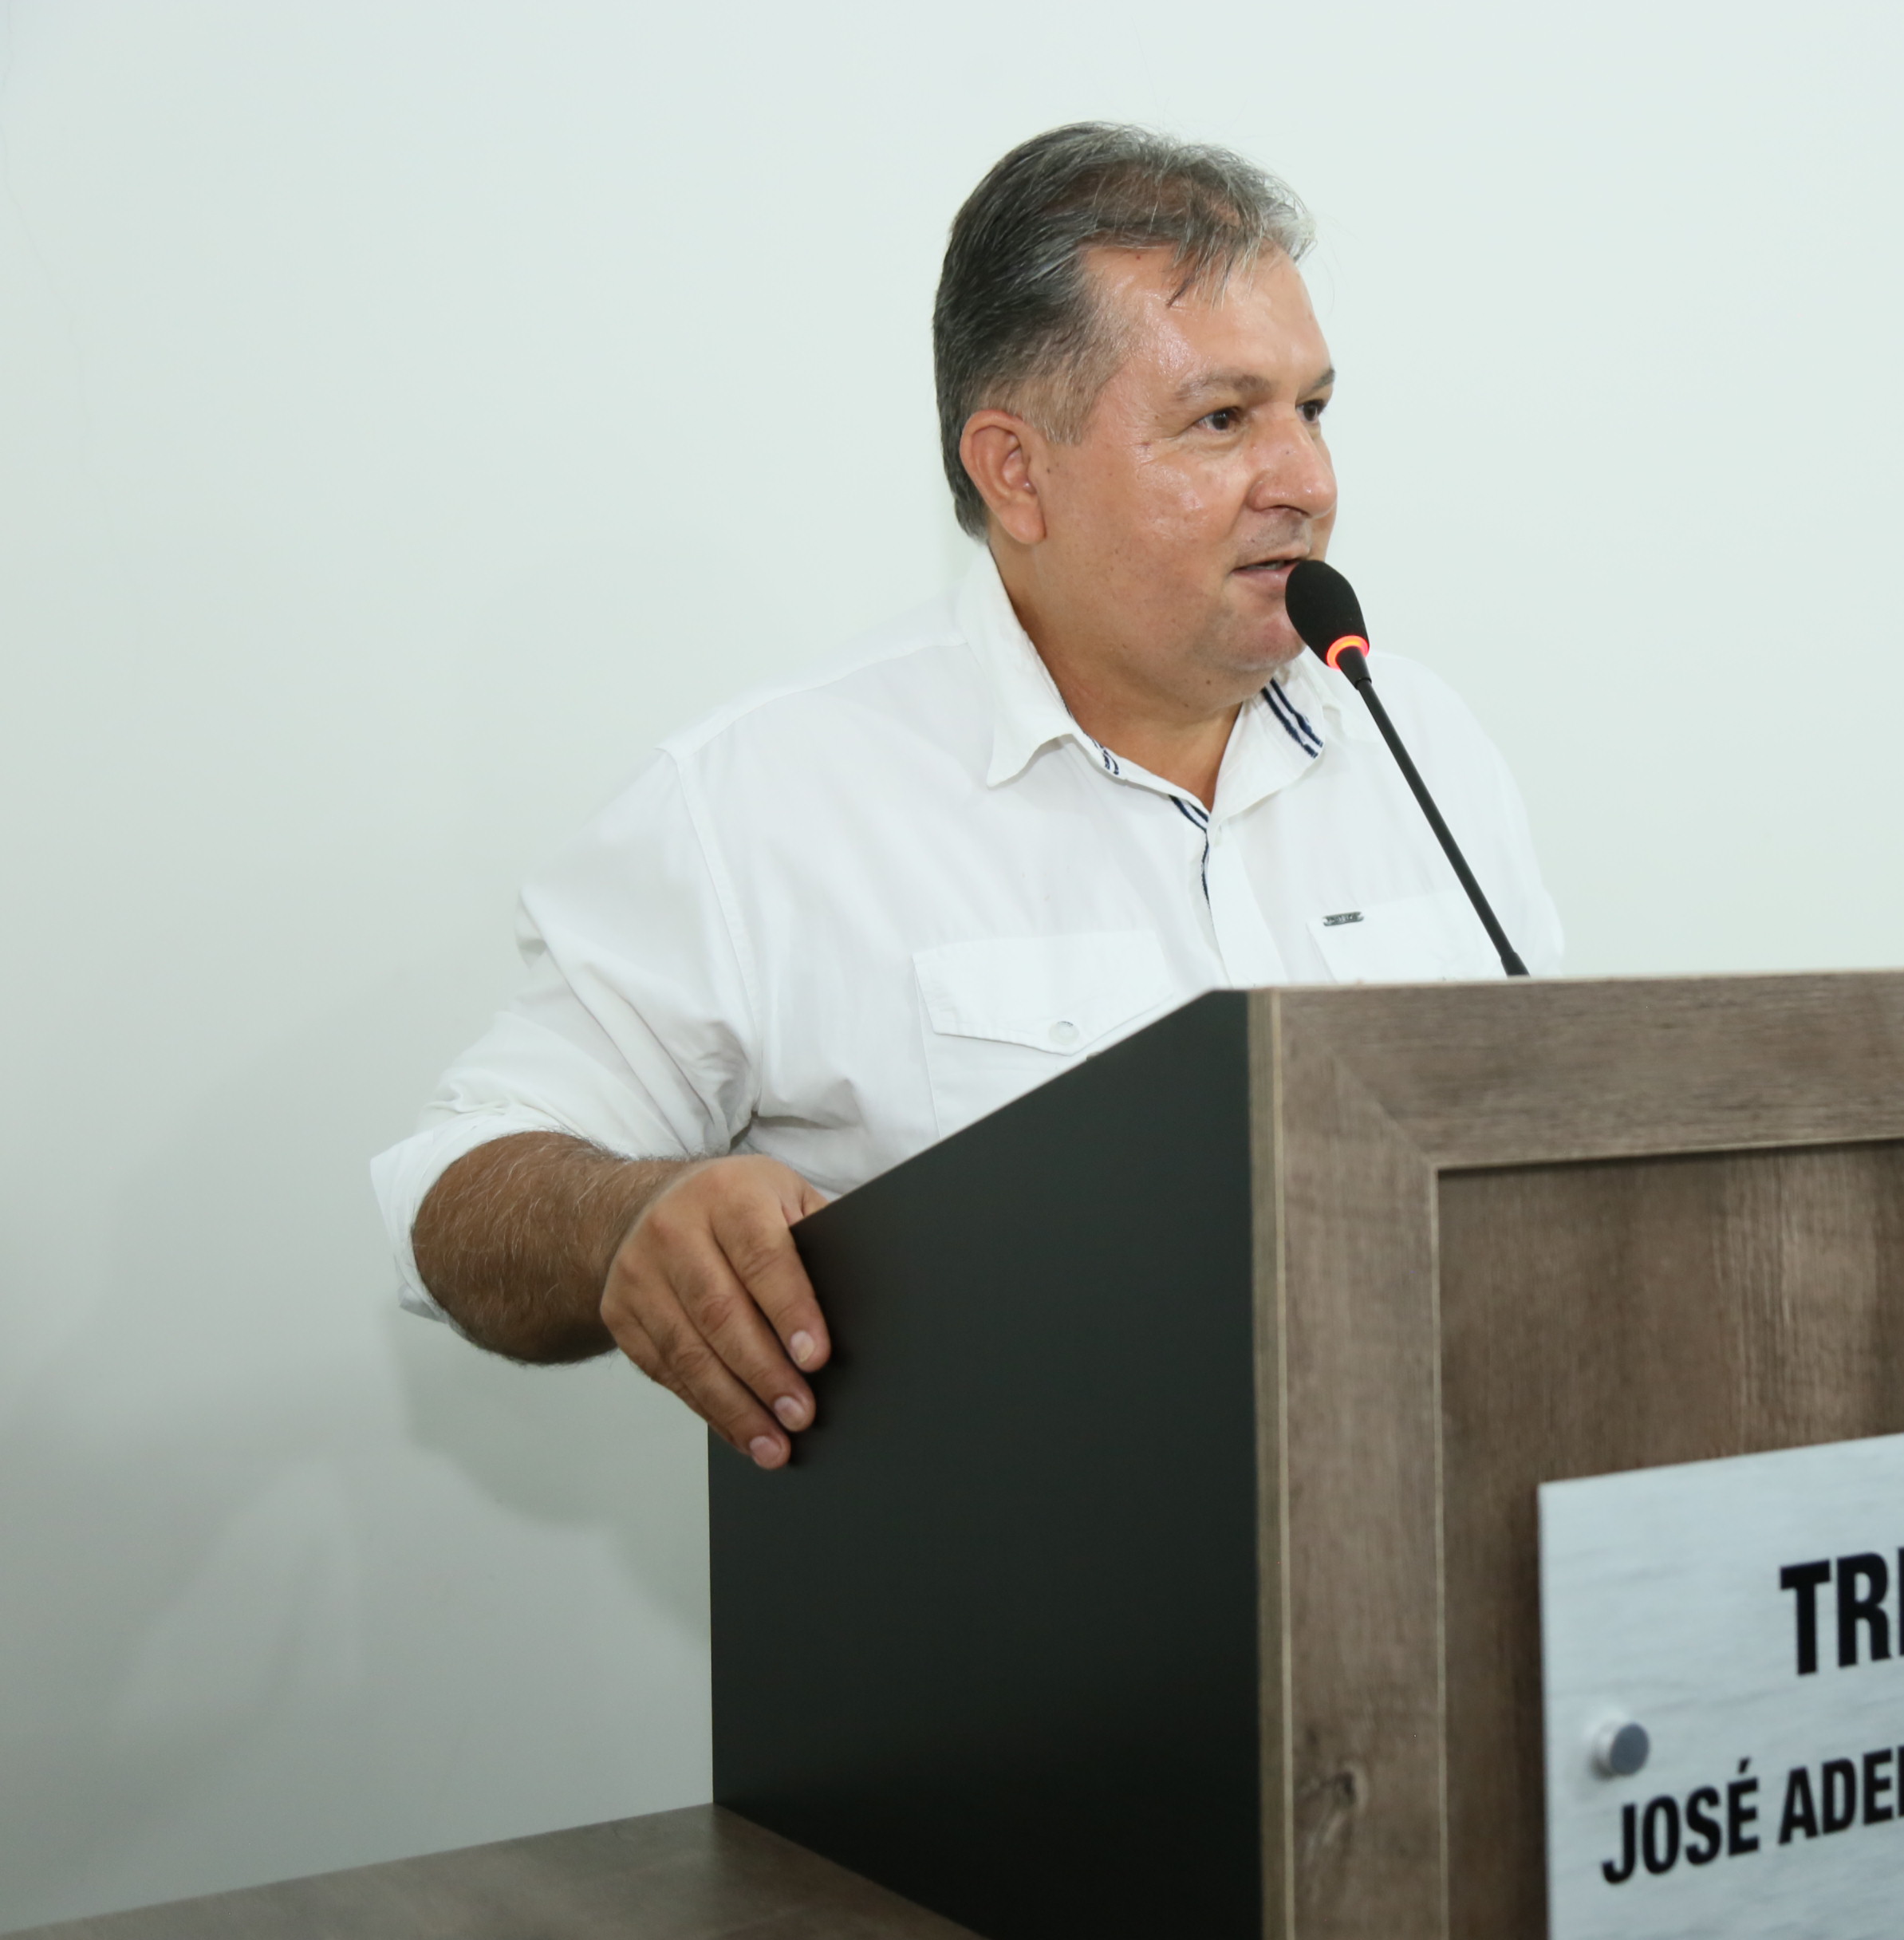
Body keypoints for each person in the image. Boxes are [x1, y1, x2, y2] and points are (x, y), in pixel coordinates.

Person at [369, 124, 1563, 1470]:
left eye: (1314, 410)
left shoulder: (1419, 744)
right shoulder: (768, 799)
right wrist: (624, 1218)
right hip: (1021, 1566)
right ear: (1016, 471)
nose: (1307, 483)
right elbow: (450, 1190)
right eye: (1223, 421)